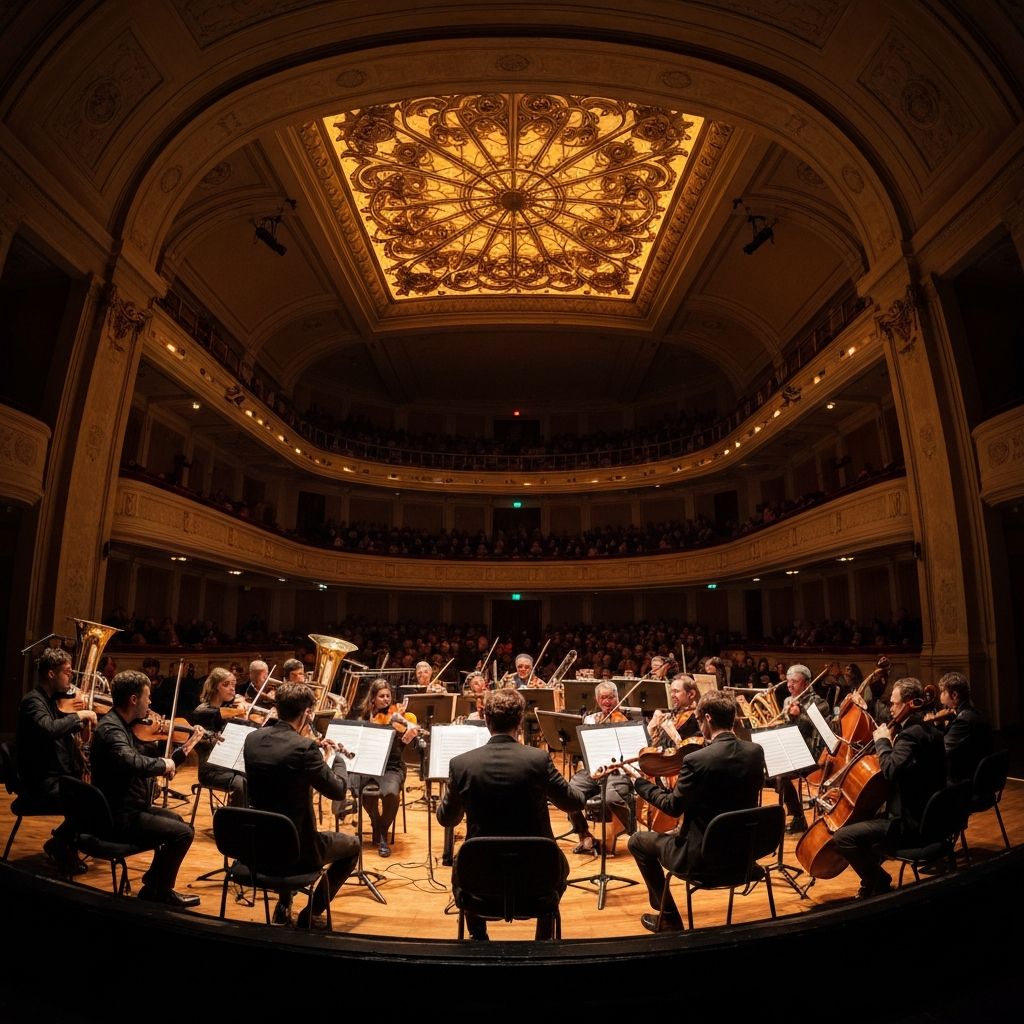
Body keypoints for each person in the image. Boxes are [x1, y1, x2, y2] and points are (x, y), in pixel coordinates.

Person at [436, 688, 586, 939]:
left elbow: (447, 819)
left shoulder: (461, 764)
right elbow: (573, 803)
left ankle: (478, 936)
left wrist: (457, 791)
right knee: (560, 866)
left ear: (486, 720)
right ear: (520, 721)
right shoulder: (538, 760)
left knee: (463, 864)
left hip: (480, 881)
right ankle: (544, 938)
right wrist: (582, 779)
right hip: (537, 879)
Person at [627, 691, 766, 932]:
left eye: (699, 720)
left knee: (637, 840)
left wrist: (640, 783)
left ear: (708, 719)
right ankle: (664, 911)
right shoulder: (755, 751)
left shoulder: (697, 760)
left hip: (703, 858)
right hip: (742, 856)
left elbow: (673, 806)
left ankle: (668, 916)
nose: (699, 726)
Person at [243, 682, 359, 928]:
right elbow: (338, 791)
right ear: (307, 712)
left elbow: (283, 765)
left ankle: (284, 903)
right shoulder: (304, 749)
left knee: (280, 822)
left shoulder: (253, 740)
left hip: (257, 845)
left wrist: (314, 755)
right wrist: (337, 759)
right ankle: (311, 912)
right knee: (353, 846)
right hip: (297, 851)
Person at [90, 670, 199, 908]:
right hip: (117, 816)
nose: (150, 703)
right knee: (183, 833)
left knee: (178, 821)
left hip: (127, 806)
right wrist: (165, 763)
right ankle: (157, 890)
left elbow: (143, 758)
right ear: (133, 699)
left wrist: (176, 754)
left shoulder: (122, 724)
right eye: (147, 697)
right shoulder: (111, 730)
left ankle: (155, 885)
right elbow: (132, 762)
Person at [832, 677, 946, 898]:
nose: (890, 707)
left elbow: (891, 770)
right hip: (932, 817)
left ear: (909, 703)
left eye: (894, 703)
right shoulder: (929, 731)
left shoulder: (910, 735)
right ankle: (872, 880)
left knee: (843, 837)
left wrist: (883, 742)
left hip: (910, 825)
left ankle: (878, 880)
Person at [15, 647, 97, 874]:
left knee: (92, 795)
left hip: (55, 779)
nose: (71, 677)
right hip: (40, 785)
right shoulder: (33, 701)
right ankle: (60, 843)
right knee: (91, 803)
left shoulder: (50, 701)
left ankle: (67, 845)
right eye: (68, 672)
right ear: (51, 674)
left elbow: (60, 730)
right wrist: (79, 715)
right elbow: (48, 729)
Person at [353, 678, 422, 857]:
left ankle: (382, 832)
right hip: (370, 764)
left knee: (391, 793)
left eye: (388, 696)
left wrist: (409, 733)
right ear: (373, 699)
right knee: (363, 791)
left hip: (392, 765)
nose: (386, 700)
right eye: (381, 696)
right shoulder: (365, 717)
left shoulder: (398, 717)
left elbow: (405, 746)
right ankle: (377, 822)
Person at [568, 681, 634, 855]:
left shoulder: (627, 718)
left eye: (611, 697)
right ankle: (584, 835)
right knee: (568, 794)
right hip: (594, 769)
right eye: (604, 698)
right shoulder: (590, 719)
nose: (608, 702)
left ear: (617, 698)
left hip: (617, 770)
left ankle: (630, 830)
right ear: (597, 700)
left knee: (612, 799)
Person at [778, 663, 831, 834]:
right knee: (776, 767)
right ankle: (795, 814)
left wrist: (798, 716)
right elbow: (786, 728)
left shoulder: (819, 703)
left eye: (794, 681)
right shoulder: (788, 700)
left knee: (784, 773)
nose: (789, 685)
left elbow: (814, 730)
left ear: (806, 683)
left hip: (813, 753)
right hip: (793, 749)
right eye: (788, 681)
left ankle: (799, 817)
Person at [191, 667, 248, 806]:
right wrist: (239, 711)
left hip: (231, 766)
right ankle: (233, 820)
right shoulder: (203, 710)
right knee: (241, 783)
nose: (232, 689)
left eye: (233, 685)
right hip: (211, 771)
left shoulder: (227, 711)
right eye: (226, 684)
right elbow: (218, 713)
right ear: (214, 687)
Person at [935, 671, 991, 784]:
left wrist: (935, 725)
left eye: (943, 692)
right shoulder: (975, 713)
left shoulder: (963, 720)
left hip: (962, 783)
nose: (940, 696)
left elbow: (941, 751)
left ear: (954, 695)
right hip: (975, 777)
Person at [648, 674, 701, 747]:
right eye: (671, 692)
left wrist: (668, 727)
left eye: (676, 691)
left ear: (691, 694)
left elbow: (688, 749)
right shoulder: (674, 713)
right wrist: (654, 728)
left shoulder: (697, 717)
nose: (672, 695)